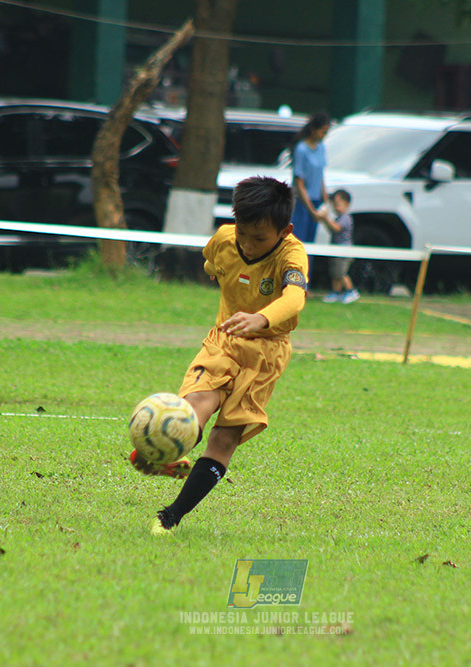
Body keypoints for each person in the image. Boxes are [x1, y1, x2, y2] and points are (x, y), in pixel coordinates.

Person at [129, 175, 309, 535]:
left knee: (224, 440)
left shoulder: (292, 254)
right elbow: (212, 261)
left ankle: (170, 516)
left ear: (285, 230)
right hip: (224, 340)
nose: (248, 244)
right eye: (243, 233)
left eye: (260, 238)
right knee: (197, 404)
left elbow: (295, 297)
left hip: (265, 354)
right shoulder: (225, 238)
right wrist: (216, 271)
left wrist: (261, 317)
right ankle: (163, 448)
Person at [290, 111, 331, 244]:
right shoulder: (301, 149)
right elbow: (299, 182)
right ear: (313, 129)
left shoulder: (321, 148)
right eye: (322, 132)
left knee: (311, 242)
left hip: (316, 201)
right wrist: (311, 210)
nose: (324, 136)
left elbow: (320, 177)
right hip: (302, 203)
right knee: (299, 241)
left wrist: (325, 201)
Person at [320, 189, 360, 304]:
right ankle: (335, 293)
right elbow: (332, 229)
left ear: (347, 204)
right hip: (336, 250)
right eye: (334, 205)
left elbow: (336, 228)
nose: (335, 208)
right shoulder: (338, 218)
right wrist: (325, 220)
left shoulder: (346, 218)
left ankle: (351, 291)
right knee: (335, 273)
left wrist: (325, 218)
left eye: (337, 205)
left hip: (343, 251)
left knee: (341, 273)